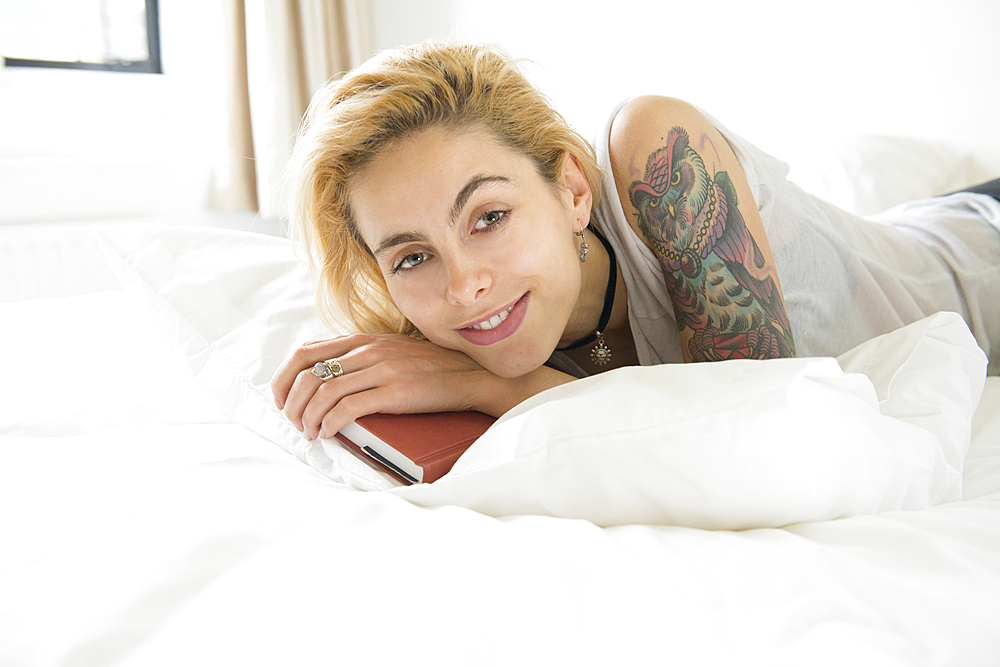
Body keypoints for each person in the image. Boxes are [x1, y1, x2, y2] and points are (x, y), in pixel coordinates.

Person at [271, 41, 1000, 443]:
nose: (464, 286)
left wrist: (487, 384)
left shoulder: (655, 154)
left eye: (489, 216)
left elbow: (762, 425)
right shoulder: (441, 324)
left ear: (574, 190)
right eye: (413, 256)